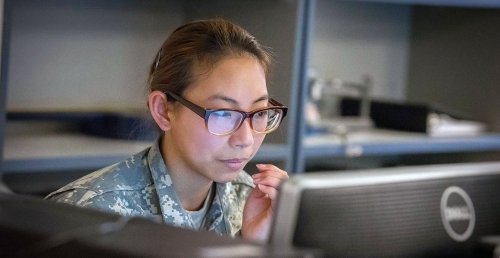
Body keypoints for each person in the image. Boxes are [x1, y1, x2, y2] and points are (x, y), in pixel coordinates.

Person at [46, 18, 289, 242]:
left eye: (260, 112)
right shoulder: (89, 214)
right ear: (163, 110)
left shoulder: (252, 198)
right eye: (223, 114)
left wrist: (252, 246)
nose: (245, 139)